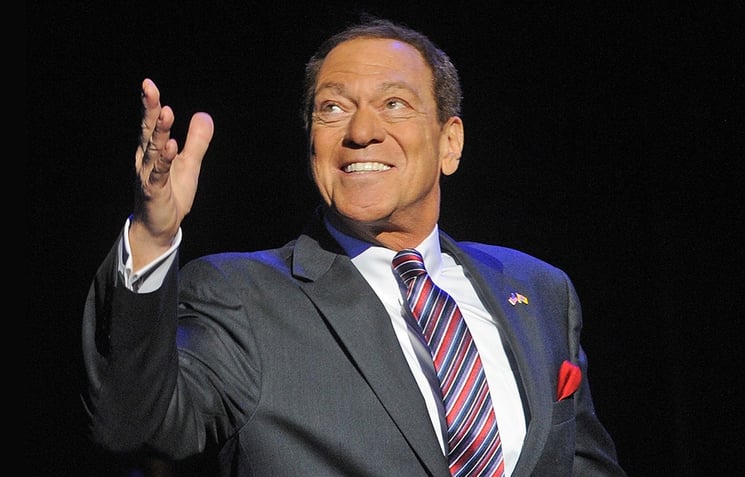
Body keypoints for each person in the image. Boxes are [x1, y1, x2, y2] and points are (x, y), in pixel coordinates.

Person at [81, 16, 626, 476]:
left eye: (394, 104)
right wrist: (151, 236)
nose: (361, 131)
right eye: (334, 108)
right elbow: (132, 426)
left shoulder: (539, 291)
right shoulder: (240, 296)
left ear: (450, 142)